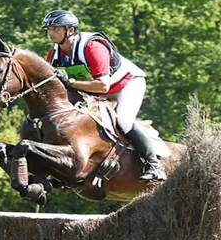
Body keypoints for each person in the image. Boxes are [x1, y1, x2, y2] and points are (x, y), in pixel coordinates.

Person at [41, 10, 167, 182]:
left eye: (55, 29)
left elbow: (102, 84)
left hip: (126, 84)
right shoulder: (54, 55)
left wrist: (70, 82)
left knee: (123, 121)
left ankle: (154, 165)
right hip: (95, 90)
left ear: (70, 30)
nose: (50, 33)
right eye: (48, 29)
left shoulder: (93, 47)